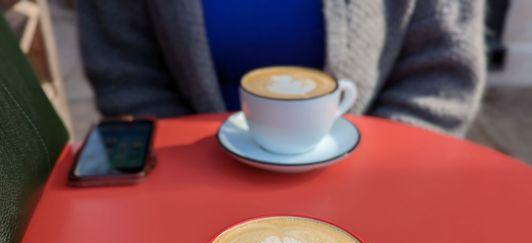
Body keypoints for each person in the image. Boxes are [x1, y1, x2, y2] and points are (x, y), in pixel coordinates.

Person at [77, 0, 485, 137]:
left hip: (376, 187)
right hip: (189, 180)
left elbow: (440, 77)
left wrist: (371, 164)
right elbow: (127, 72)